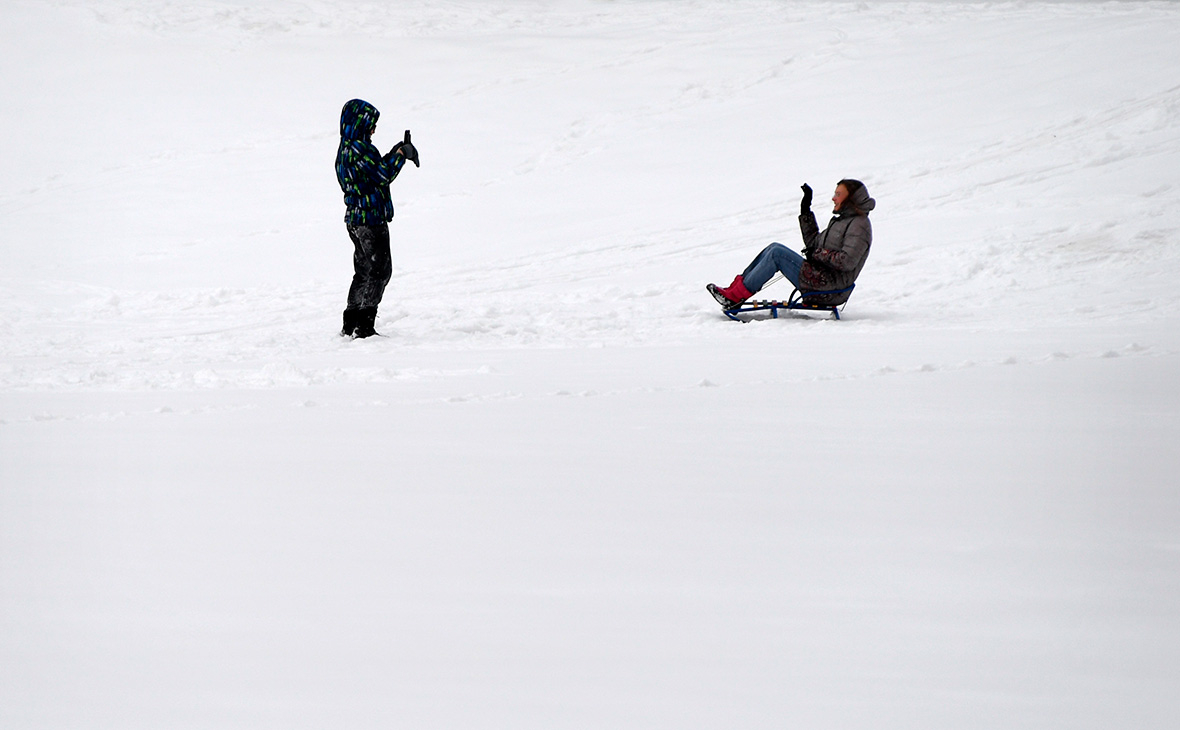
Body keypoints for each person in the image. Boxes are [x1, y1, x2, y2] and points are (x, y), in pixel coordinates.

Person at [707, 179, 875, 309]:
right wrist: (805, 211)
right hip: (821, 278)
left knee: (777, 254)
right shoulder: (842, 221)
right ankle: (734, 291)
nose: (833, 198)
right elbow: (813, 245)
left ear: (850, 199)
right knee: (774, 247)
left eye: (838, 194)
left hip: (830, 288)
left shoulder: (859, 225)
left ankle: (735, 297)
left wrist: (816, 254)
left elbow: (847, 261)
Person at [335, 98, 419, 338]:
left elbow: (371, 172)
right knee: (380, 271)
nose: (373, 130)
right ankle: (364, 326)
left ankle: (350, 322)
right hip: (370, 220)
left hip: (354, 219)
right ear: (360, 124)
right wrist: (402, 154)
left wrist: (394, 153)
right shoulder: (360, 149)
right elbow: (382, 174)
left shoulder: (346, 148)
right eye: (370, 124)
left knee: (363, 270)